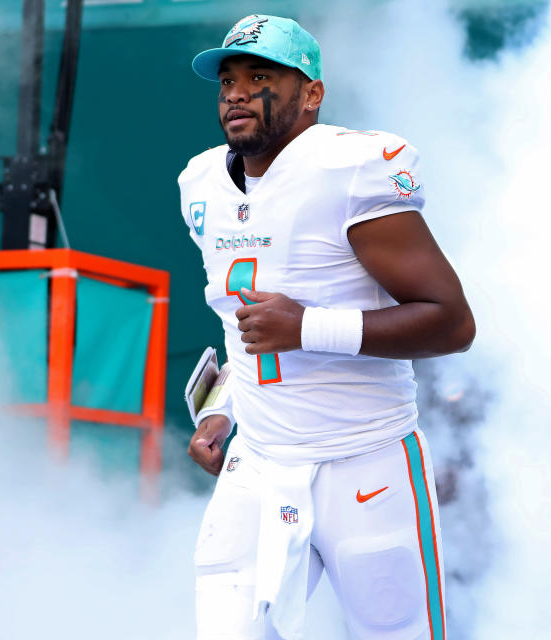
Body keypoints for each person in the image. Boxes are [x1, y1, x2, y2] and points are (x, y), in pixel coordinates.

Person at [177, 14, 474, 640]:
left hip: (366, 462)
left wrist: (309, 327)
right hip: (258, 463)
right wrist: (221, 410)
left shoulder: (352, 169)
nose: (235, 92)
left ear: (311, 93)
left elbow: (451, 322)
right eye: (226, 78)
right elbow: (244, 329)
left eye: (260, 75)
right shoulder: (200, 183)